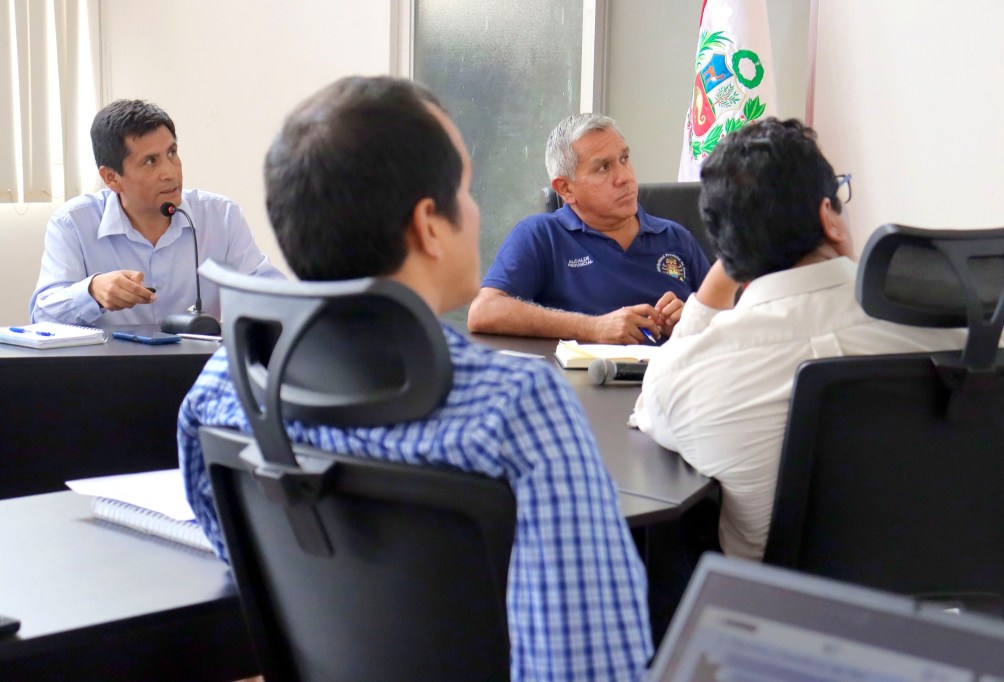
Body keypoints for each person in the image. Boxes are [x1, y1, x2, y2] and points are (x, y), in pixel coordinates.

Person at [178, 77, 653, 680]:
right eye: (466, 190)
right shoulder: (516, 407)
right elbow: (592, 666)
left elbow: (256, 572)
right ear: (430, 224)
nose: (476, 211)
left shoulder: (223, 387)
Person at [633, 118, 970, 561]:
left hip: (781, 603)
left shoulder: (690, 373)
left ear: (727, 249)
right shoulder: (964, 322)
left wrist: (719, 281)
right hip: (970, 597)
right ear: (829, 217)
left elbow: (650, 406)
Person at [30, 99, 283, 327]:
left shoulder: (221, 216)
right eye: (150, 161)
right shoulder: (73, 223)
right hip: (110, 363)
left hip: (197, 362)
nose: (171, 173)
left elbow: (272, 294)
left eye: (172, 153)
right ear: (111, 178)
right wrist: (93, 292)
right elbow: (43, 316)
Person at [467, 113, 710, 344]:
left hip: (672, 371)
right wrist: (593, 328)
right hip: (583, 373)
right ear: (565, 189)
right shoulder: (541, 236)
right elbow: (484, 311)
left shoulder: (675, 237)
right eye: (603, 167)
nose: (624, 177)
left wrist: (692, 321)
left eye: (624, 159)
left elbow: (727, 320)